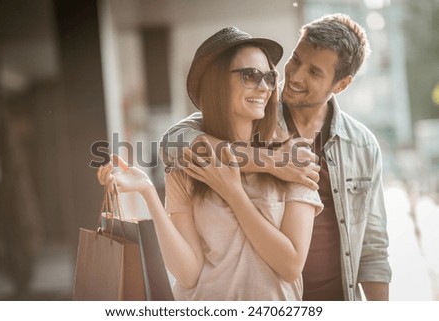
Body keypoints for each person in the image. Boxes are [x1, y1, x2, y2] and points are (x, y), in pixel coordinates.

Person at [160, 14, 392, 301]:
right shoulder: (255, 116)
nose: (294, 76)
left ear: (341, 84)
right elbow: (174, 141)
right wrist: (272, 162)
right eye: (295, 60)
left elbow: (374, 248)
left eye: (314, 72)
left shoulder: (362, 146)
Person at [98, 27, 323, 300]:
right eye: (250, 75)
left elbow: (290, 266)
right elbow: (188, 273)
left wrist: (233, 193)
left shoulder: (295, 160)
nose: (264, 87)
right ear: (216, 82)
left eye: (270, 77)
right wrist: (148, 193)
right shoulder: (187, 167)